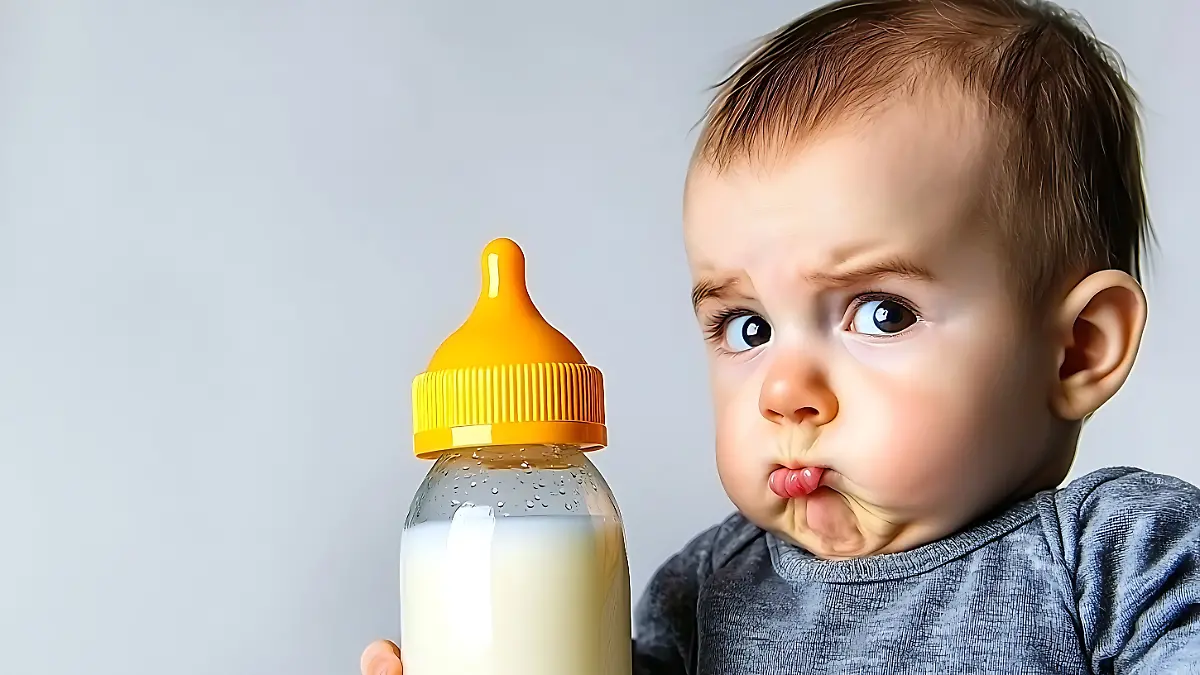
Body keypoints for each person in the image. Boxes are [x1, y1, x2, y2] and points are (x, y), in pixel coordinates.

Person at [363, 0, 1200, 672]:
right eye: (748, 326)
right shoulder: (707, 589)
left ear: (1078, 348)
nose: (782, 389)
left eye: (881, 312)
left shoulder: (1117, 558)